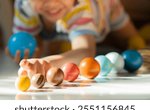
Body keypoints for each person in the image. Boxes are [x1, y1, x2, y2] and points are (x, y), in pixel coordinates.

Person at [7, 0, 147, 75]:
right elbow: (33, 41)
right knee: (65, 46)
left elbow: (85, 51)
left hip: (107, 8)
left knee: (132, 40)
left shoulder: (80, 8)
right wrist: (31, 54)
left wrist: (47, 63)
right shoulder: (25, 5)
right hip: (68, 29)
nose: (52, 3)